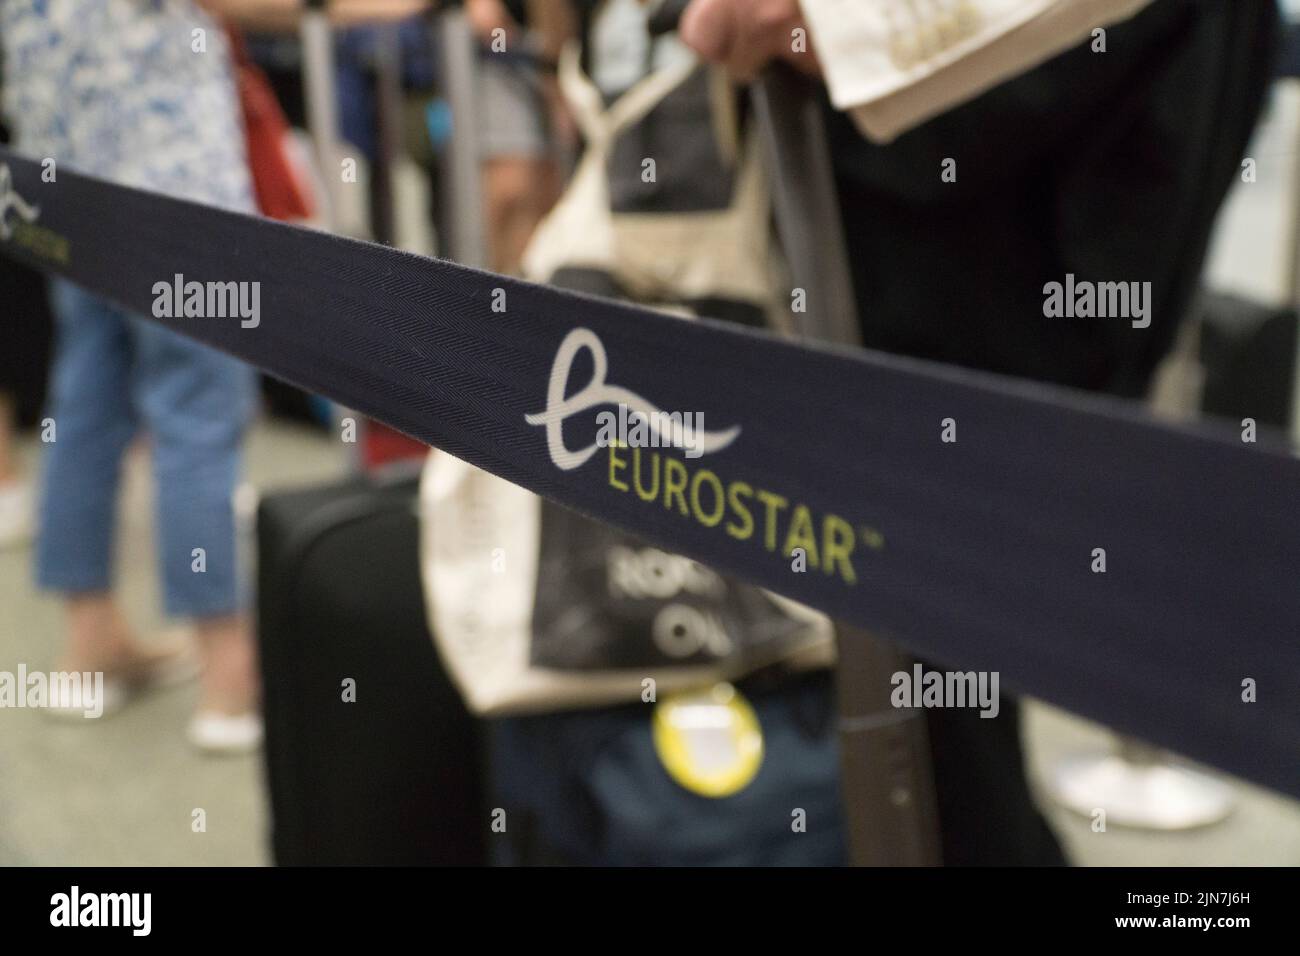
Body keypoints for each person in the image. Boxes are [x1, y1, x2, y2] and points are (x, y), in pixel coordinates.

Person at [679, 0, 1279, 864]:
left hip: (994, 186)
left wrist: (849, 25)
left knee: (933, 621)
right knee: (942, 632)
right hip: (1017, 168)